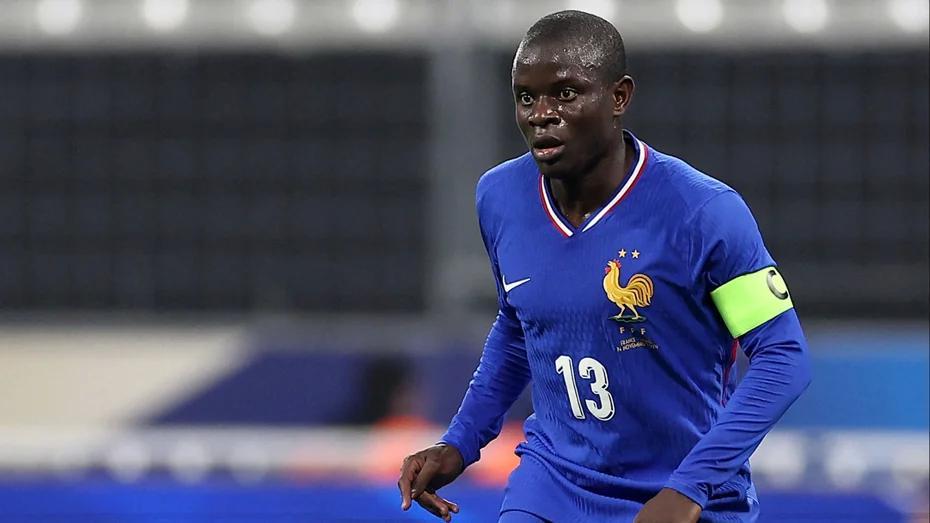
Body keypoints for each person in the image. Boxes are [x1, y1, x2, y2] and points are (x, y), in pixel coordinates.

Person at [398, 10, 811, 523]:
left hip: (682, 495)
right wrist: (460, 442)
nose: (541, 114)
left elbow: (783, 356)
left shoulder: (704, 213)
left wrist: (691, 487)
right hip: (554, 486)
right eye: (526, 97)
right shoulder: (500, 197)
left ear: (619, 97)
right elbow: (520, 325)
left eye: (565, 94)